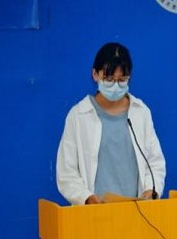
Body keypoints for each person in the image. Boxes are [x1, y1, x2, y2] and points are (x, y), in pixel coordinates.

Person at [56, 43, 166, 205]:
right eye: (109, 80)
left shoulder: (141, 112)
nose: (115, 85)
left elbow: (155, 163)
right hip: (94, 212)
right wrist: (86, 197)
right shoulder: (78, 115)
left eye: (122, 80)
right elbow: (66, 173)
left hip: (136, 210)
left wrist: (151, 189)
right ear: (95, 74)